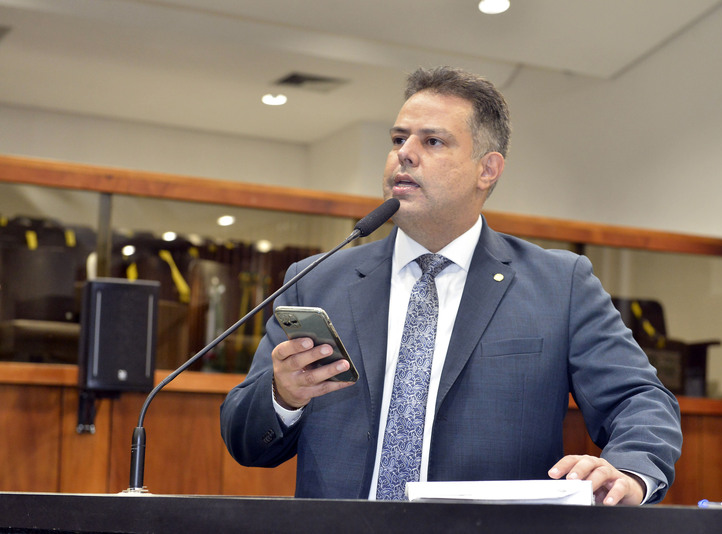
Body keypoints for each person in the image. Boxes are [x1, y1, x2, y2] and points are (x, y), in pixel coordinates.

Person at [220, 66, 682, 505]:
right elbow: (247, 442)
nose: (405, 153)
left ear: (487, 169)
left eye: (433, 141)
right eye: (398, 139)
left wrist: (629, 472)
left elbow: (640, 400)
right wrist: (283, 396)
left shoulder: (560, 285)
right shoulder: (316, 280)